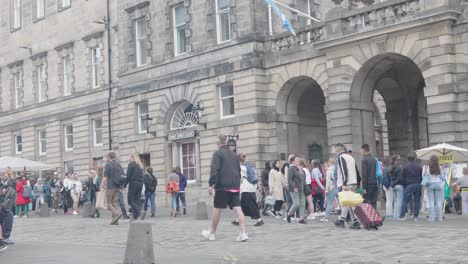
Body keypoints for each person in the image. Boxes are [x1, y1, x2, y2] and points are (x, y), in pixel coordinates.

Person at [202, 135, 248, 242]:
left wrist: (211, 184)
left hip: (222, 186)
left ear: (218, 143)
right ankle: (243, 233)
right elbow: (238, 170)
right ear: (226, 142)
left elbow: (214, 169)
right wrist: (237, 183)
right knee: (238, 209)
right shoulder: (234, 154)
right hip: (235, 186)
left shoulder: (217, 153)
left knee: (217, 209)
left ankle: (212, 233)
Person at [334, 143, 361, 229]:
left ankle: (353, 221)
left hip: (346, 183)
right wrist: (358, 182)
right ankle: (343, 220)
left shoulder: (341, 158)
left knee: (348, 202)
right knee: (347, 202)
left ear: (337, 150)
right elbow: (356, 171)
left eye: (335, 150)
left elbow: (343, 170)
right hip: (353, 182)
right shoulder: (351, 157)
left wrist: (344, 183)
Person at [233, 153, 264, 226]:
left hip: (245, 189)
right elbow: (256, 177)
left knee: (252, 205)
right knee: (242, 205)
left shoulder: (240, 168)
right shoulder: (250, 167)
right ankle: (238, 220)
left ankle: (259, 219)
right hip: (251, 188)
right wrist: (258, 186)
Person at [100, 151, 126, 225]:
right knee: (115, 203)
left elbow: (105, 177)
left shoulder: (108, 165)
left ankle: (117, 213)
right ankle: (115, 220)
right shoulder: (118, 164)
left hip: (111, 186)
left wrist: (101, 186)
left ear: (108, 157)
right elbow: (123, 176)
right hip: (118, 186)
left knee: (109, 203)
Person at [400, 153, 423, 220]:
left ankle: (403, 215)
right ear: (414, 159)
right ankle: (416, 216)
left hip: (409, 185)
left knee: (405, 200)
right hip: (418, 184)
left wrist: (404, 184)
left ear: (408, 159)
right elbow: (421, 176)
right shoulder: (419, 167)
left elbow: (402, 177)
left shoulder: (405, 167)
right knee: (417, 201)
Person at [286, 156, 307, 224]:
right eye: (296, 160)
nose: (298, 160)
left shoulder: (300, 168)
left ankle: (301, 219)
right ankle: (289, 214)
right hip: (294, 189)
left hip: (301, 189)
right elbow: (290, 179)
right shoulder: (291, 169)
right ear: (292, 161)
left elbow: (303, 178)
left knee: (303, 204)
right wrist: (294, 187)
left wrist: (301, 170)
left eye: (298, 159)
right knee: (297, 203)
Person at [425, 155, 444, 222]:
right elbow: (443, 177)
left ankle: (431, 218)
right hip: (438, 184)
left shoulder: (427, 168)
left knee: (431, 202)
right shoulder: (440, 167)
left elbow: (426, 176)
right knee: (439, 202)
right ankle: (440, 218)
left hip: (430, 184)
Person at [125, 154, 144, 221]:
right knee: (136, 200)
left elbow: (128, 176)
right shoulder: (140, 165)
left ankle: (140, 212)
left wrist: (124, 185)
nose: (128, 159)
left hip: (133, 183)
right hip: (140, 183)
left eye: (129, 157)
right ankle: (134, 217)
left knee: (130, 201)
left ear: (133, 157)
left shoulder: (131, 164)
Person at [360, 144, 378, 209]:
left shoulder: (364, 160)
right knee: (373, 201)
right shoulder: (374, 159)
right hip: (375, 182)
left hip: (368, 184)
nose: (360, 152)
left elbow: (364, 174)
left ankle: (367, 217)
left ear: (363, 150)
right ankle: (375, 217)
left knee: (365, 201)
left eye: (361, 150)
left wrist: (364, 187)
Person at [0, 175, 16, 245]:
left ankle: (5, 237)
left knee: (8, 218)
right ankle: (4, 237)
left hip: (6, 208)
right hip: (4, 207)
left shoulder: (11, 188)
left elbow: (12, 200)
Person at [389, 155, 404, 220]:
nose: (399, 161)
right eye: (398, 160)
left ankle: (395, 215)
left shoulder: (390, 167)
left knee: (395, 201)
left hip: (393, 185)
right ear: (396, 161)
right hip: (399, 185)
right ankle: (398, 216)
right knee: (399, 201)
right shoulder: (398, 168)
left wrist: (392, 184)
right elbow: (399, 178)